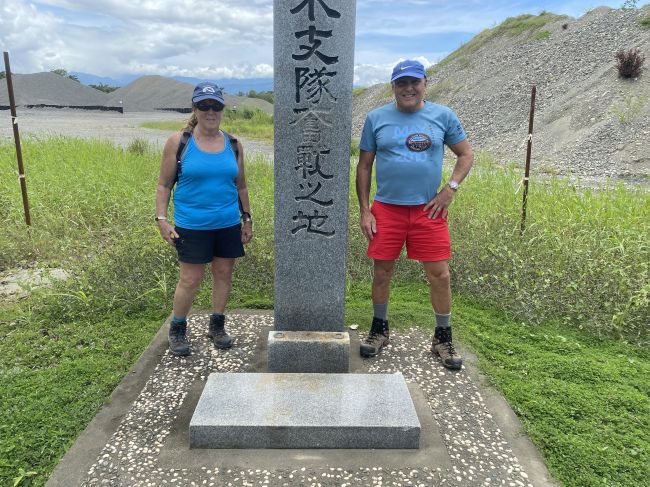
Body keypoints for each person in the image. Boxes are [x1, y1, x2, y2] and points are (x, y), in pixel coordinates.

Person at [356, 60, 474, 370]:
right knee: (382, 273)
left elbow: (466, 153)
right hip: (387, 209)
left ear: (425, 83)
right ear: (393, 86)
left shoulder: (443, 116)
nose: (408, 88)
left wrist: (450, 188)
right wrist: (364, 209)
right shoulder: (376, 118)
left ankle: (442, 338)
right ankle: (379, 330)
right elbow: (364, 165)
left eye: (414, 82)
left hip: (428, 209)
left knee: (441, 275)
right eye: (401, 83)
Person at [155, 82, 253, 356]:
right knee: (190, 279)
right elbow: (164, 185)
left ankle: (217, 325)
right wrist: (162, 219)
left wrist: (247, 219)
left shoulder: (233, 144)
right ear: (194, 108)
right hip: (192, 224)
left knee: (223, 274)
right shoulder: (179, 142)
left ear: (222, 109)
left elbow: (241, 185)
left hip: (227, 223)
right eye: (204, 106)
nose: (210, 111)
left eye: (216, 106)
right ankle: (177, 328)